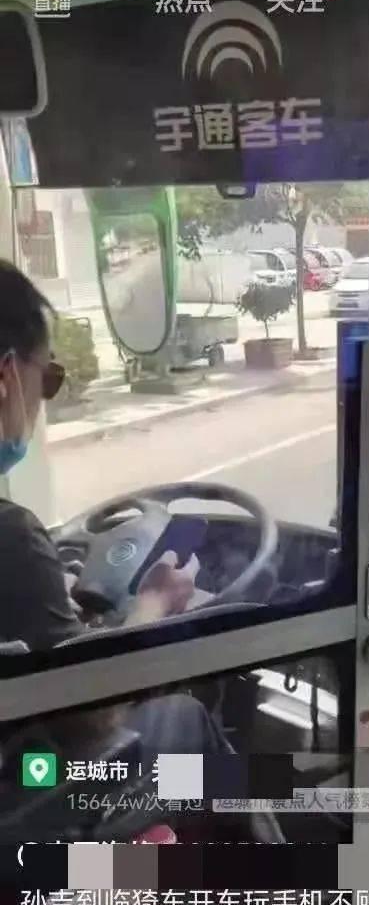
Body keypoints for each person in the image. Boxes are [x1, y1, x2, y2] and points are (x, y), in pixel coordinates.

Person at [0, 260, 199, 652]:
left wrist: (42, 595)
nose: (43, 399)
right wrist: (155, 604)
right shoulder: (12, 537)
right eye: (49, 377)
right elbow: (93, 693)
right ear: (6, 376)